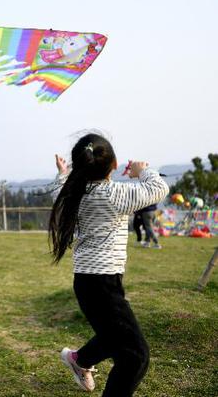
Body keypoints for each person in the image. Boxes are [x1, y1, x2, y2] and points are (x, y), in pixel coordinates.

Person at [49, 133, 169, 396]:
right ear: (114, 165)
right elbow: (158, 189)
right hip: (103, 284)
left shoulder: (73, 192)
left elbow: (58, 190)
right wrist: (143, 170)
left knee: (113, 336)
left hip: (88, 282)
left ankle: (79, 360)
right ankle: (79, 360)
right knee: (135, 356)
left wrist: (62, 173)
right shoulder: (115, 194)